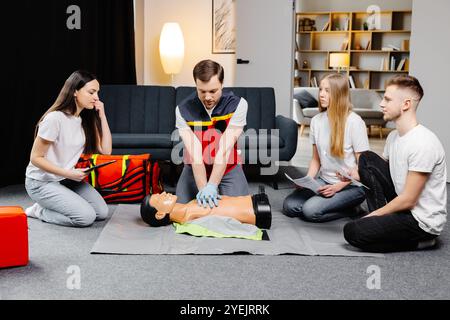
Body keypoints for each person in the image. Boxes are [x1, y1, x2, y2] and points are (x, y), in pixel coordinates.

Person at [343, 75, 447, 252]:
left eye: (387, 99)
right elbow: (384, 174)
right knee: (366, 158)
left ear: (406, 104)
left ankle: (421, 242)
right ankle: (381, 222)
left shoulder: (423, 143)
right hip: (403, 205)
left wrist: (371, 216)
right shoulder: (393, 137)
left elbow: (409, 200)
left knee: (352, 231)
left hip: (420, 221)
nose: (381, 104)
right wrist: (355, 174)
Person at [24, 70, 112, 227]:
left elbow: (106, 150)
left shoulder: (84, 120)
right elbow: (35, 158)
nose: (96, 97)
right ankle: (39, 211)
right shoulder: (55, 119)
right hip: (40, 182)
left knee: (101, 213)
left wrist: (102, 116)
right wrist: (68, 173)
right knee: (85, 218)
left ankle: (57, 202)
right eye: (91, 92)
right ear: (75, 92)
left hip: (65, 179)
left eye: (97, 92)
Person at [283, 73, 368, 222]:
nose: (321, 94)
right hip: (323, 181)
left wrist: (338, 187)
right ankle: (327, 205)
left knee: (310, 211)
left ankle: (352, 210)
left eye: (327, 91)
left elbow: (364, 167)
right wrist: (307, 180)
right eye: (321, 89)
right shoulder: (317, 121)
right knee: (290, 206)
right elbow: (316, 160)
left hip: (351, 186)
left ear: (339, 93)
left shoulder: (355, 122)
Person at [175, 59, 249, 208]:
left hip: (228, 167)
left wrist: (212, 186)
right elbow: (195, 153)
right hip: (194, 167)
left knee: (241, 210)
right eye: (202, 91)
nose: (208, 97)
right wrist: (203, 189)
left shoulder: (239, 105)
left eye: (213, 91)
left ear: (222, 84)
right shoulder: (182, 110)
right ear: (196, 85)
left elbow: (224, 149)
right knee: (181, 209)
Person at [140, 188, 271, 230]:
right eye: (159, 199)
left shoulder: (189, 205)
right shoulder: (188, 218)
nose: (164, 193)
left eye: (160, 194)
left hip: (254, 200)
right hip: (257, 211)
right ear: (160, 214)